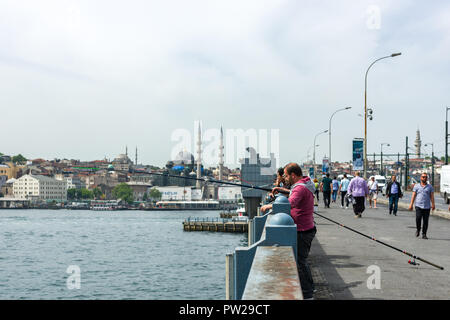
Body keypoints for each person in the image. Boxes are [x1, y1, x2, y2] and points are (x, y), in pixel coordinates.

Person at [260, 163, 316, 299]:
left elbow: (290, 203)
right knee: (302, 261)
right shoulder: (306, 182)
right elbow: (294, 193)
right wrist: (282, 189)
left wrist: (269, 206)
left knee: (300, 262)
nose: (285, 178)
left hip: (302, 230)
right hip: (307, 227)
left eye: (286, 175)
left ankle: (308, 293)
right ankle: (310, 289)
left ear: (293, 175)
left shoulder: (299, 189)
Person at [408, 173, 435, 239]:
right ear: (421, 178)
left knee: (426, 221)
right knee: (418, 218)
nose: (424, 178)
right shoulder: (416, 186)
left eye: (425, 177)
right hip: (418, 206)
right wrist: (411, 204)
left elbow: (432, 196)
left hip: (427, 207)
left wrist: (433, 204)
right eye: (423, 177)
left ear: (427, 178)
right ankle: (418, 229)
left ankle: (424, 234)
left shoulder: (430, 187)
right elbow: (413, 195)